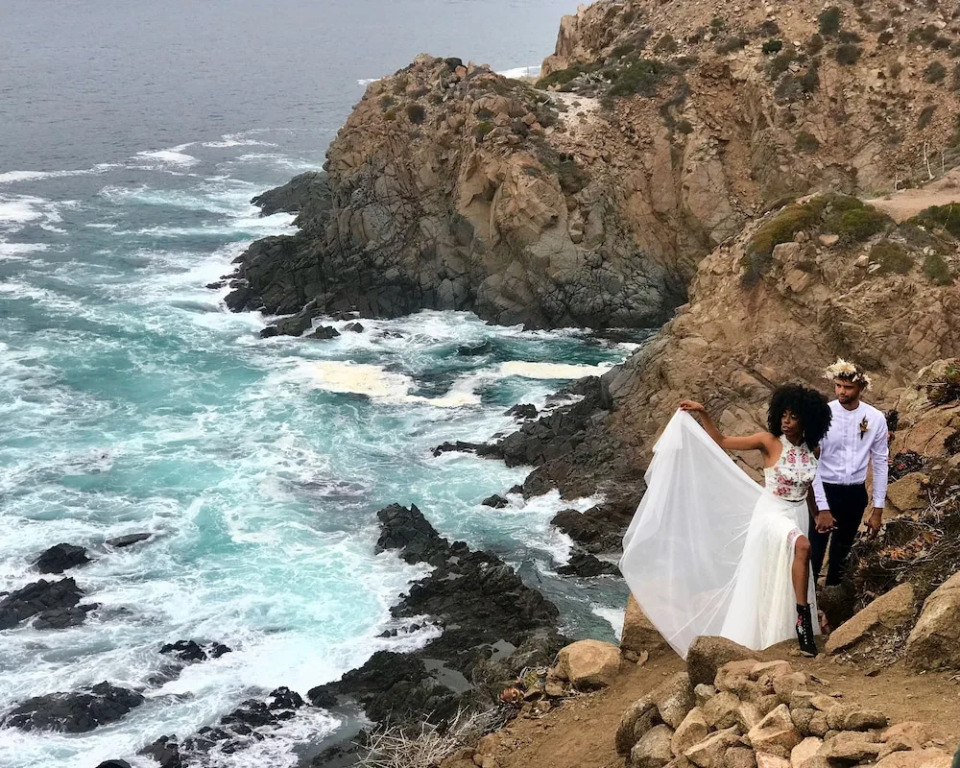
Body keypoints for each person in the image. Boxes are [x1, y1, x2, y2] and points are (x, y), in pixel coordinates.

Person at [619, 385, 832, 659]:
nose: (786, 421)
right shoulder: (768, 441)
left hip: (798, 512)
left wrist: (816, 513)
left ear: (808, 420)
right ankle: (803, 624)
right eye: (784, 414)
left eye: (794, 416)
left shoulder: (813, 449)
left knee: (783, 568)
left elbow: (807, 484)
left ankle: (783, 629)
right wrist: (703, 413)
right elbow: (721, 440)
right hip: (772, 512)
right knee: (803, 547)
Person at [810, 359, 889, 587]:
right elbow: (812, 462)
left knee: (841, 555)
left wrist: (877, 509)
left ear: (861, 388)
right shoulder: (823, 414)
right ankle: (806, 602)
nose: (841, 392)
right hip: (824, 489)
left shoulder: (875, 418)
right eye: (838, 386)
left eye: (848, 387)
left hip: (854, 493)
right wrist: (821, 507)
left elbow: (880, 462)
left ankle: (832, 598)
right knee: (814, 552)